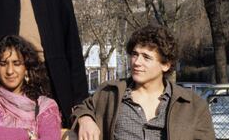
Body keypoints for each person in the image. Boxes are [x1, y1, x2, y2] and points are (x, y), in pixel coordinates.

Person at [71, 25, 215, 140]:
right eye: (135, 54)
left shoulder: (193, 106)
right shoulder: (109, 93)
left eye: (146, 57)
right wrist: (85, 120)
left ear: (165, 65)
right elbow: (81, 108)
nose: (137, 62)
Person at [0, 35, 61, 140]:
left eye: (16, 63)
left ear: (26, 68)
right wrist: (27, 135)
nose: (10, 71)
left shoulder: (45, 108)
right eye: (3, 64)